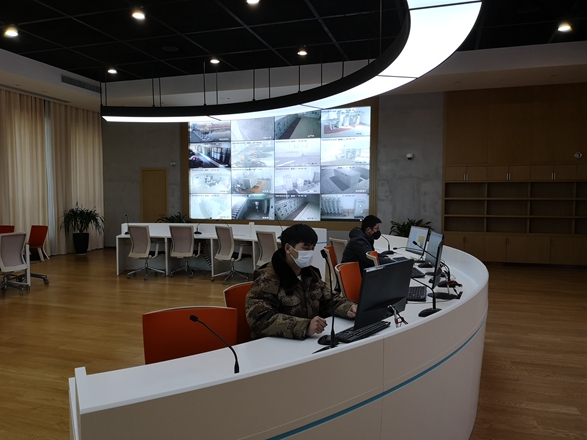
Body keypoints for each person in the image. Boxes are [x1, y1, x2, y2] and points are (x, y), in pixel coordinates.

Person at [245, 224, 357, 340]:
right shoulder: (267, 278)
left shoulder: (310, 274)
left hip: (306, 341)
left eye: (312, 248)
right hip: (274, 344)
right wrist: (305, 327)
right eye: (306, 248)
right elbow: (260, 319)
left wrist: (348, 308)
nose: (310, 253)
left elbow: (328, 300)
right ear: (288, 248)